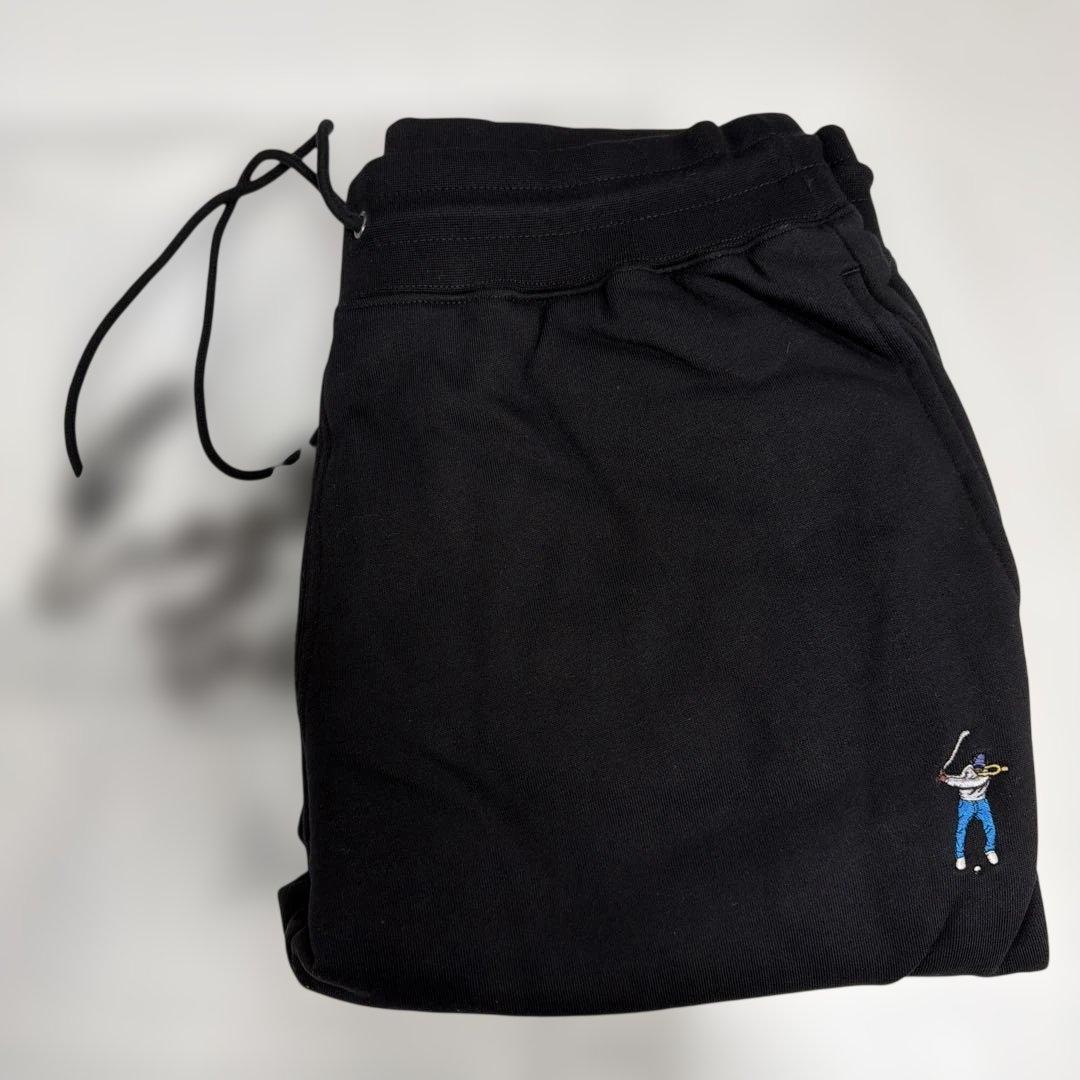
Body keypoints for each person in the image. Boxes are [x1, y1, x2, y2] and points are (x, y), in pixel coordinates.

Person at [938, 753, 999, 870]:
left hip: (982, 803)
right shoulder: (967, 769)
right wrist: (947, 776)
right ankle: (960, 856)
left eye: (981, 765)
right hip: (966, 804)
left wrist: (947, 780)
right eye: (977, 765)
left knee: (990, 826)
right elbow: (961, 779)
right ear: (972, 763)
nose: (978, 768)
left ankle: (990, 849)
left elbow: (969, 783)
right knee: (961, 829)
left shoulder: (986, 774)